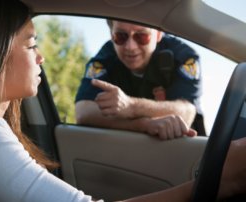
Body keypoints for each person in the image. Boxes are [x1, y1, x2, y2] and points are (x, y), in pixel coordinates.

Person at [0, 0, 245, 201]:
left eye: (142, 36)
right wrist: (217, 181)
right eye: (31, 44)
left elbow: (188, 109)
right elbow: (84, 110)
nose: (42, 57)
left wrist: (134, 110)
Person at [75, 20, 206, 140]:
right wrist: (141, 125)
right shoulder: (106, 57)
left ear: (159, 34)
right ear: (111, 34)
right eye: (121, 36)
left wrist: (130, 106)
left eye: (141, 36)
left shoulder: (182, 56)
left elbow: (187, 112)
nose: (130, 47)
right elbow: (83, 111)